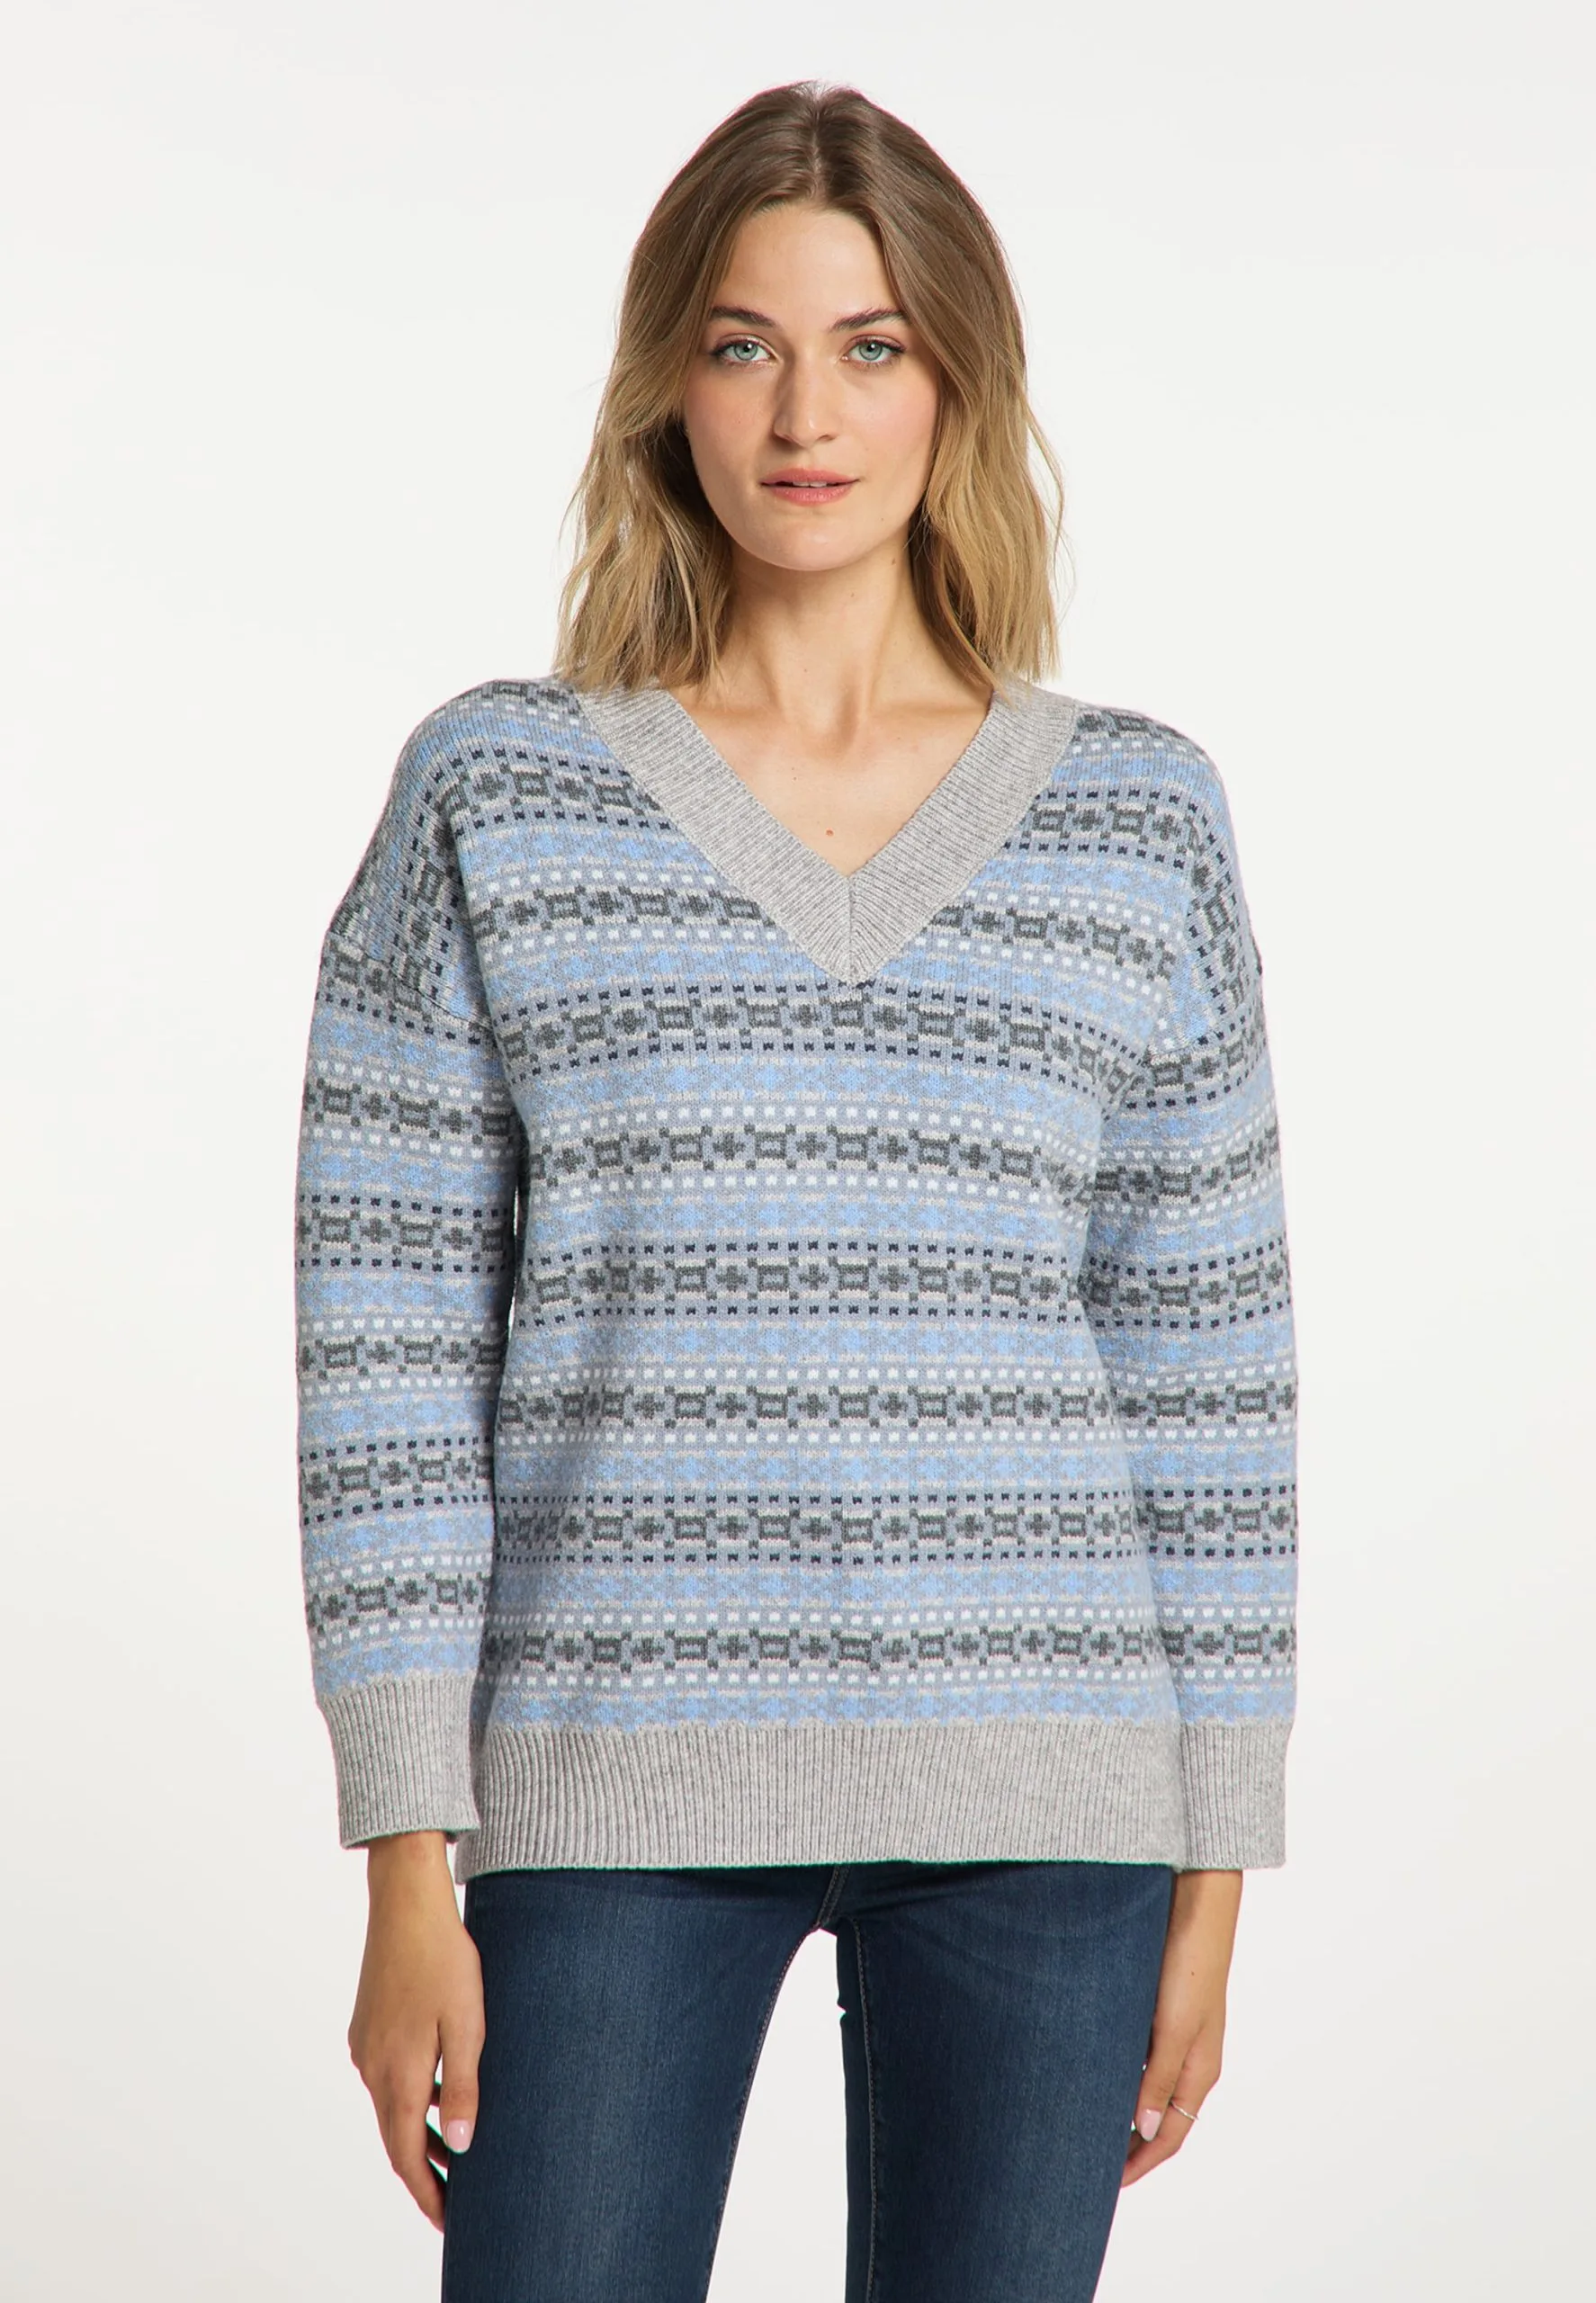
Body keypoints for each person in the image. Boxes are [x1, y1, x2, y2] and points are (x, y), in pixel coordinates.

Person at [293, 79, 1298, 2303]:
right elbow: (386, 1354)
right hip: (605, 1780)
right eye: (742, 343)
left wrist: (1213, 1875)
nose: (803, 413)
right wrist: (403, 1862)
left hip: (1050, 1798)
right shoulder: (499, 793)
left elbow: (1208, 1379)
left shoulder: (1135, 821)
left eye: (869, 346)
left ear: (956, 381)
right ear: (668, 382)